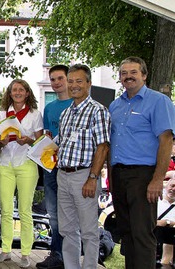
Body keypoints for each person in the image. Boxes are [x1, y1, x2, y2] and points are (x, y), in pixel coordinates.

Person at [109, 56, 175, 269]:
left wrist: (157, 179)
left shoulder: (158, 101)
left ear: (144, 75)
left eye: (133, 72)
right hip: (118, 174)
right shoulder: (115, 105)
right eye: (124, 73)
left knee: (142, 234)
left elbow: (166, 141)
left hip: (143, 175)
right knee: (127, 234)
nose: (128, 77)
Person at [56, 64, 110, 269]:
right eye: (70, 81)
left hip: (85, 176)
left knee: (88, 230)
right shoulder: (66, 113)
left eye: (79, 81)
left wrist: (93, 178)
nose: (74, 85)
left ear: (88, 83)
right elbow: (63, 144)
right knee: (67, 229)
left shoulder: (98, 111)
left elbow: (103, 147)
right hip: (64, 175)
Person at [0, 79, 43, 268]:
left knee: (25, 210)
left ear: (27, 93)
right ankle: (5, 250)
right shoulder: (2, 114)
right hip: (5, 164)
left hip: (27, 164)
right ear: (10, 93)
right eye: (14, 90)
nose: (17, 92)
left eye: (21, 89)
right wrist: (1, 141)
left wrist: (29, 140)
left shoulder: (35, 114)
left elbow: (40, 142)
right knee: (5, 209)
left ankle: (25, 253)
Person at [37, 64, 71, 269]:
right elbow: (48, 136)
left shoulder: (77, 104)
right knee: (53, 212)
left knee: (69, 212)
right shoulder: (49, 108)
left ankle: (69, 254)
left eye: (60, 78)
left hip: (70, 167)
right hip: (51, 166)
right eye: (53, 79)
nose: (56, 83)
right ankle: (56, 253)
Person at [158, 175, 175, 266]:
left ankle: (165, 264)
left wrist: (168, 222)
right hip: (155, 234)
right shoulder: (156, 200)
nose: (173, 189)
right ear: (166, 186)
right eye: (172, 186)